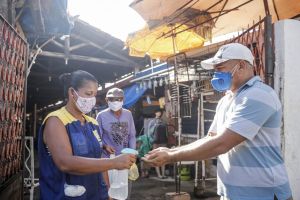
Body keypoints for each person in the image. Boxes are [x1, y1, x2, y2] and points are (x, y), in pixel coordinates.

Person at [143, 43, 292, 200]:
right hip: (232, 193)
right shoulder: (226, 100)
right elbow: (211, 139)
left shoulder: (258, 95)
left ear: (241, 65)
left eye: (220, 68)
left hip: (264, 194)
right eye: (215, 70)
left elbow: (222, 143)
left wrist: (172, 157)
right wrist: (170, 151)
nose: (215, 74)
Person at [38, 70, 136, 200]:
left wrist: (107, 190)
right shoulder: (56, 121)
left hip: (96, 194)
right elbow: (65, 163)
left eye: (94, 95)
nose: (92, 100)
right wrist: (113, 162)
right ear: (72, 92)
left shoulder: (92, 123)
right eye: (88, 94)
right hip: (64, 196)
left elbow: (99, 158)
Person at [96, 87, 136, 199]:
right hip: (108, 159)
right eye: (111, 99)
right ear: (106, 100)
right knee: (110, 192)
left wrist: (132, 153)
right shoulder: (101, 116)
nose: (115, 101)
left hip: (125, 158)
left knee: (124, 191)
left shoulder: (128, 114)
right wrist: (104, 146)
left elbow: (132, 135)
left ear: (123, 99)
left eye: (118, 99)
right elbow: (97, 138)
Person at [148, 108, 168, 179]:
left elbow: (166, 131)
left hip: (163, 141)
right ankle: (159, 174)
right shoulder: (152, 122)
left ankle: (163, 174)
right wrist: (151, 141)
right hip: (155, 142)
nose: (159, 113)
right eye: (157, 112)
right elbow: (149, 133)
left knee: (164, 157)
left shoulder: (163, 121)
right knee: (156, 158)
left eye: (160, 112)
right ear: (155, 113)